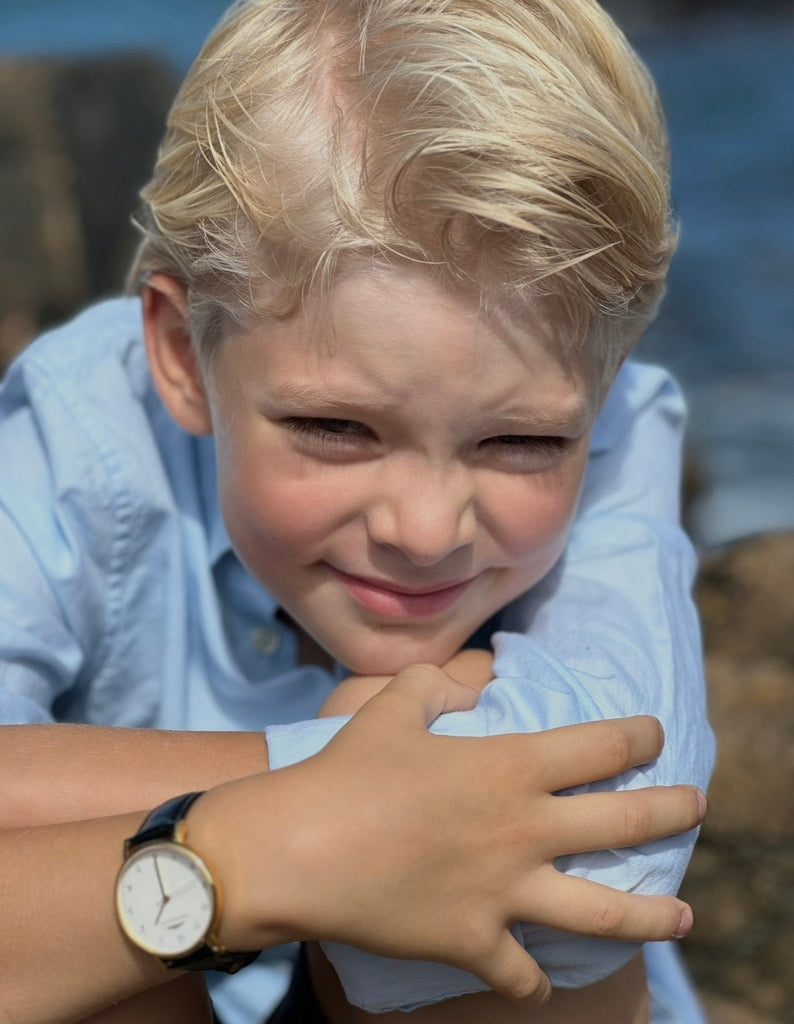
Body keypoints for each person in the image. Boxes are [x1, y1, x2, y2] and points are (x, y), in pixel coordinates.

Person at [0, 0, 714, 1022]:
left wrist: (345, 810)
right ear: (179, 353)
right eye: (335, 429)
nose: (425, 531)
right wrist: (289, 822)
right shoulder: (81, 431)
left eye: (520, 443)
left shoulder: (621, 429)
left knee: (521, 894)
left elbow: (623, 795)